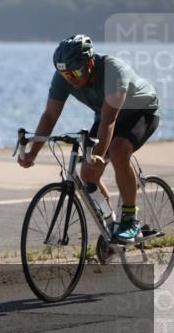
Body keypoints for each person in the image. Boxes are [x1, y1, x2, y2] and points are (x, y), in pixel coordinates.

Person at [18, 34, 161, 242]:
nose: (71, 78)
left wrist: (98, 157)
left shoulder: (113, 70)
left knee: (118, 151)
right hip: (105, 116)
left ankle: (130, 221)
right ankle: (112, 223)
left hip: (141, 111)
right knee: (86, 174)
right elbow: (49, 116)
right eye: (65, 74)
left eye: (75, 72)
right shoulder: (64, 76)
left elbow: (109, 121)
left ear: (90, 62)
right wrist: (33, 152)